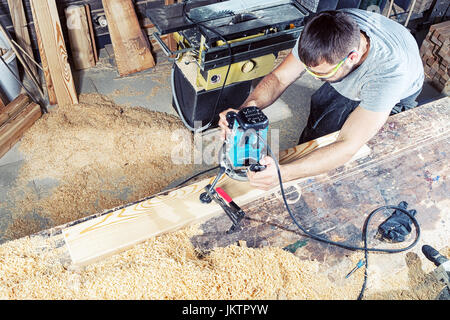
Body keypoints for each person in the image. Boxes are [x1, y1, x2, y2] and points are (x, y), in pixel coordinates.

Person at [218, 8, 424, 190]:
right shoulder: (321, 32)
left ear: (351, 57)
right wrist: (245, 111)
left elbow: (347, 145)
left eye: (321, 75)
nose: (314, 78)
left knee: (361, 157)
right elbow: (280, 78)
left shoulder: (388, 75)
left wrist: (284, 174)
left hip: (397, 93)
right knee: (319, 127)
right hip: (356, 70)